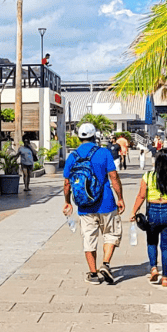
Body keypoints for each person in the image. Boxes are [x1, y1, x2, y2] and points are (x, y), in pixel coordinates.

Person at [63, 122, 125, 285]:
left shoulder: (73, 156)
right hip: (106, 203)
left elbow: (67, 183)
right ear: (94, 136)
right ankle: (105, 264)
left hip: (85, 206)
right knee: (111, 234)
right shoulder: (103, 152)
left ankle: (93, 273)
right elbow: (113, 177)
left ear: (79, 137)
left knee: (89, 239)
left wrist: (67, 202)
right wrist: (120, 197)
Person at [131, 148, 167, 287]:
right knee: (166, 246)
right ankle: (165, 278)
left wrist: (134, 211)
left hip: (153, 211)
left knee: (152, 242)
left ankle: (153, 269)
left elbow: (141, 196)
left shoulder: (148, 176)